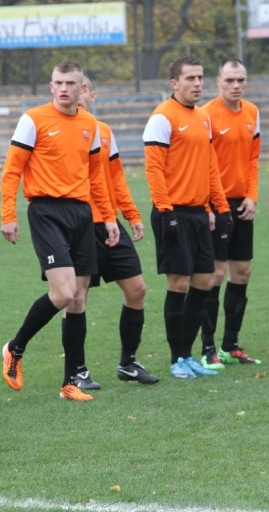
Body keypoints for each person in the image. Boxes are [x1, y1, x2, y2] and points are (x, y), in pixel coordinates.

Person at [0, 60, 119, 402]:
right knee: (65, 293)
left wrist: (108, 217)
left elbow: (97, 176)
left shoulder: (90, 124)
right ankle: (15, 347)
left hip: (82, 213)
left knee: (79, 300)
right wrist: (8, 214)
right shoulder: (33, 119)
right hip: (46, 211)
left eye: (71, 83)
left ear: (82, 88)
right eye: (58, 82)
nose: (64, 88)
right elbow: (11, 172)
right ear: (51, 86)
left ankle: (71, 383)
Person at [143, 54, 233, 379]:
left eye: (200, 77)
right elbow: (153, 170)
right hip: (173, 213)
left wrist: (221, 208)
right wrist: (165, 211)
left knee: (204, 281)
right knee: (178, 284)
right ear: (174, 82)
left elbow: (211, 167)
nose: (197, 83)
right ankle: (175, 359)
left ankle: (188, 353)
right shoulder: (161, 118)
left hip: (198, 214)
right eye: (190, 78)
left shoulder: (204, 117)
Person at [70, 76, 158, 388]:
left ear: (92, 94)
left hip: (110, 223)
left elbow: (116, 178)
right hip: (78, 225)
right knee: (76, 299)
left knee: (138, 289)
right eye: (71, 87)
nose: (76, 93)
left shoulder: (104, 132)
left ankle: (128, 363)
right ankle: (77, 370)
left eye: (82, 88)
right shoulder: (62, 132)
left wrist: (131, 214)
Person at [198, 57, 262, 369]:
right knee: (215, 275)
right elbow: (203, 165)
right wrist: (211, 206)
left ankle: (230, 344)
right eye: (229, 80)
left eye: (240, 80)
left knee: (242, 272)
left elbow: (253, 160)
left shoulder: (252, 112)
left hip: (241, 205)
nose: (235, 86)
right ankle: (207, 347)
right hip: (215, 204)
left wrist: (252, 196)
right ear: (218, 82)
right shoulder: (207, 115)